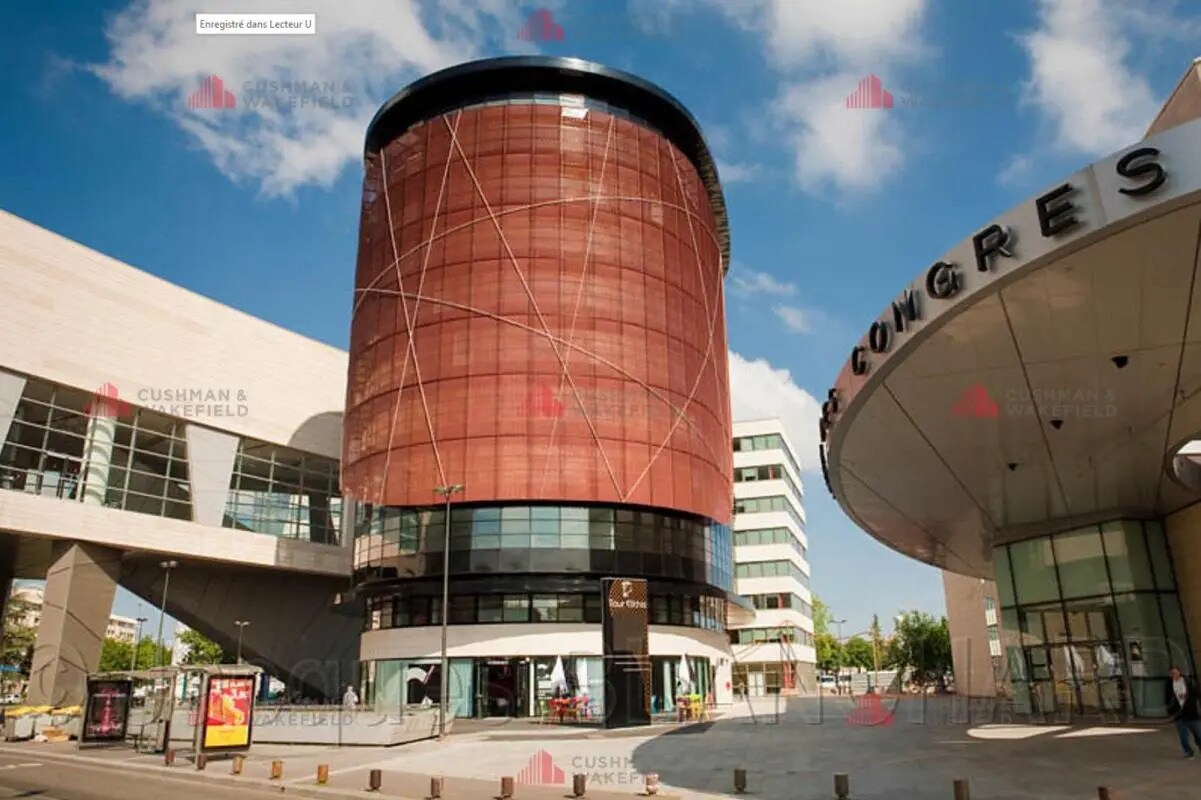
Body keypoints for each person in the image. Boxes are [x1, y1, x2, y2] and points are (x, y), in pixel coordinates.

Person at [1165, 665, 1201, 758]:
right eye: (1172, 673)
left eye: (1175, 673)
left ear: (1179, 672)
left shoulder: (1188, 681)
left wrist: (1186, 697)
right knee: (1183, 736)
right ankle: (1188, 752)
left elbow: (1197, 694)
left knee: (1198, 734)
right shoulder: (1169, 684)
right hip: (1179, 714)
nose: (1174, 675)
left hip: (1191, 712)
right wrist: (1170, 709)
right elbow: (1167, 698)